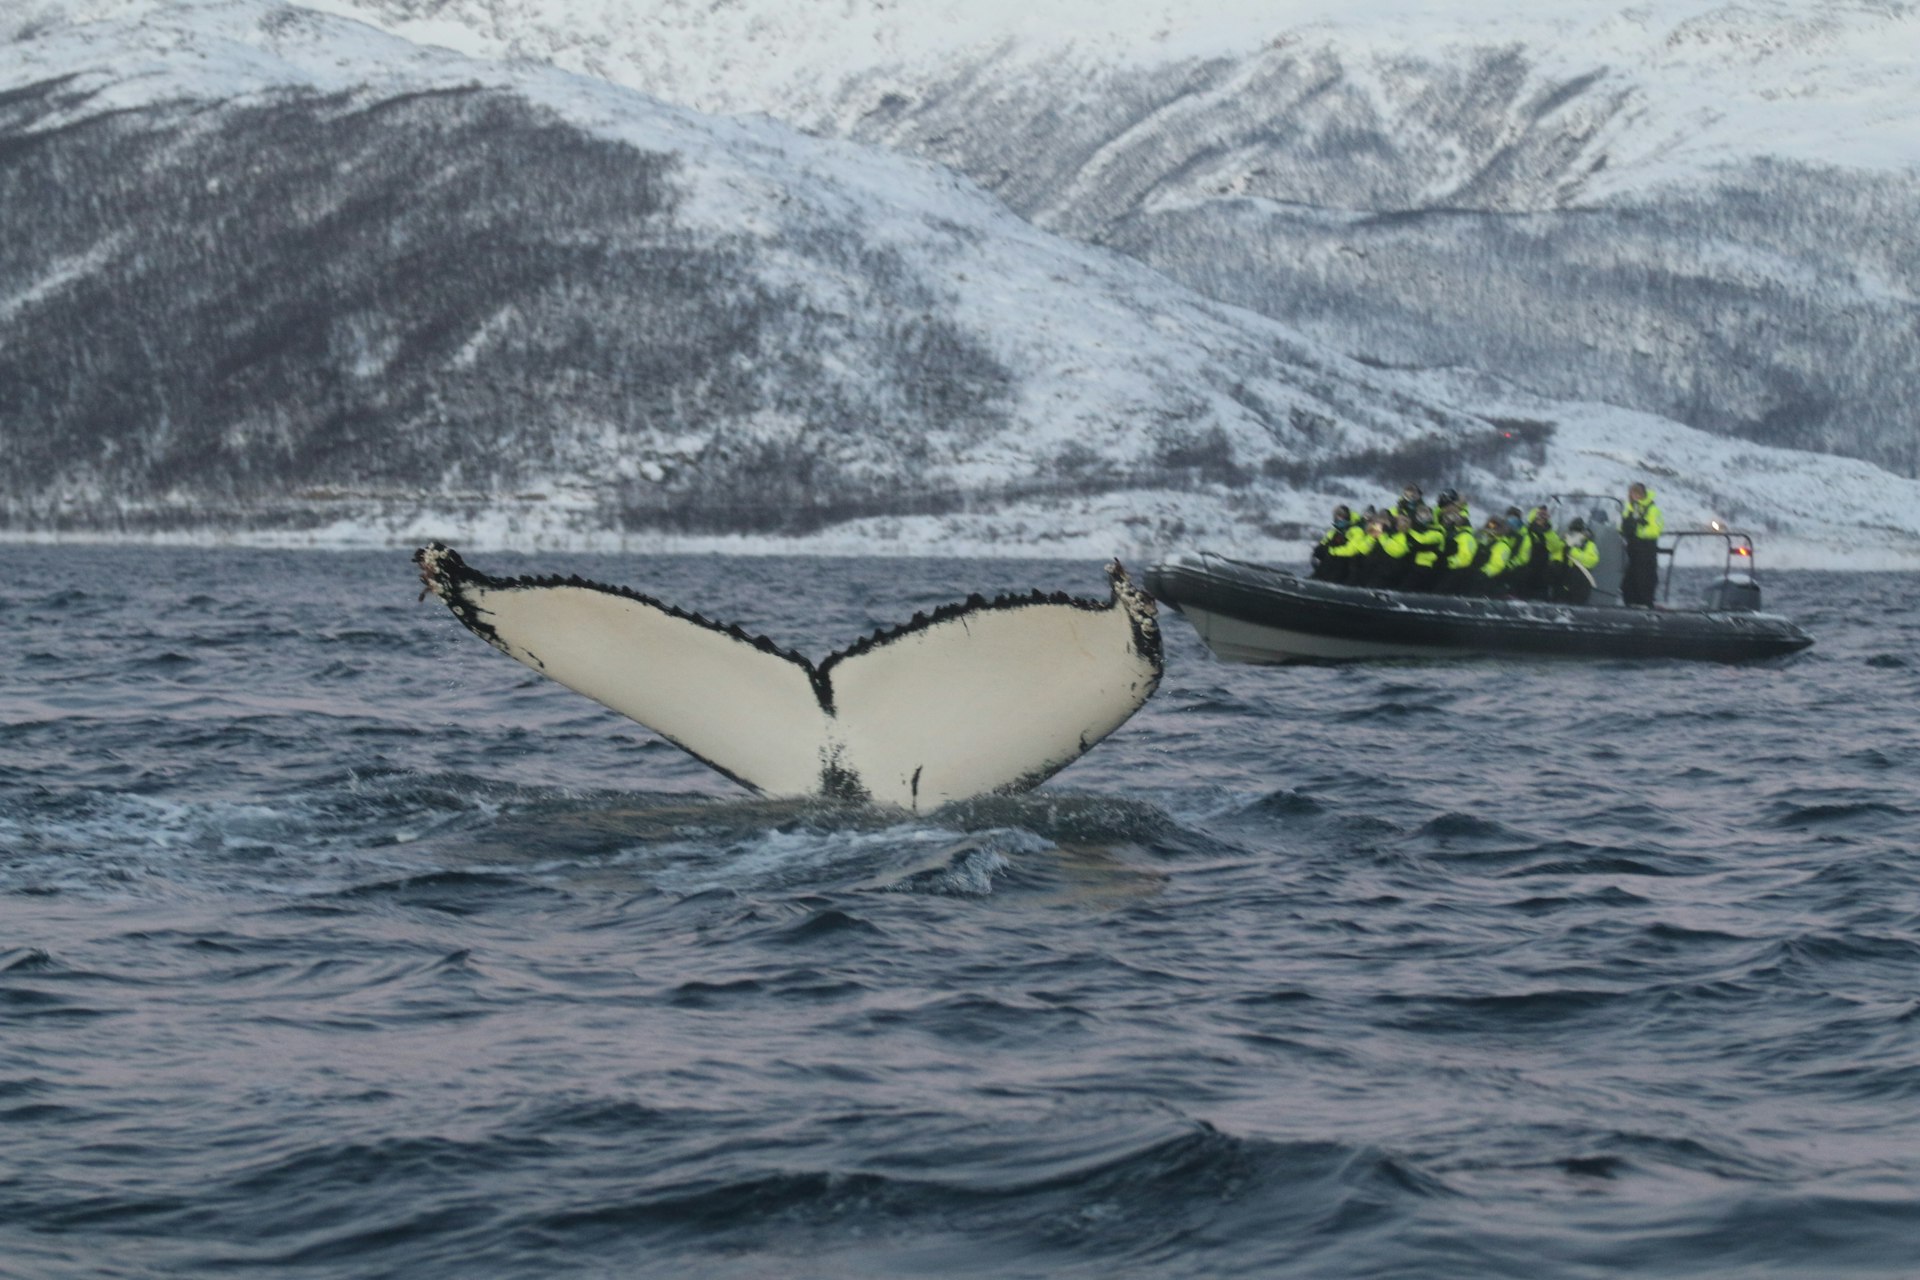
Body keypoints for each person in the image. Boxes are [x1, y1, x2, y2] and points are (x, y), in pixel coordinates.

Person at [1619, 482, 1664, 606]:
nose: (1635, 496)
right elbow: (1623, 526)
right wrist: (1625, 529)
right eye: (1633, 493)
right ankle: (1630, 604)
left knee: (1645, 581)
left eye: (1637, 493)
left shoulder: (1652, 509)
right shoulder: (1629, 508)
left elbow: (1656, 530)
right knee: (1628, 584)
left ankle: (1646, 605)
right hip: (1633, 552)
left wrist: (1638, 529)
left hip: (1646, 551)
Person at [1402, 504, 1447, 593]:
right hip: (1410, 562)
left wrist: (1408, 530)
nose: (1423, 517)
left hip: (1425, 565)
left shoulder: (1437, 531)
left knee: (1410, 587)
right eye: (1421, 514)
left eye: (1426, 514)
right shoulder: (1416, 528)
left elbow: (1422, 540)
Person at [1561, 517, 1600, 605]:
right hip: (1567, 581)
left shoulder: (1589, 545)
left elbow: (1592, 561)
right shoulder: (1567, 543)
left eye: (1577, 531)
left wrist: (1573, 552)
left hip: (1581, 582)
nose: (1574, 534)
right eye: (1572, 531)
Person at [1310, 505, 1354, 581]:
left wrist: (1333, 551)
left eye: (1341, 516)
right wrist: (1317, 551)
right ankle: (1317, 577)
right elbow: (1324, 543)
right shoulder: (1334, 532)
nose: (1338, 518)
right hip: (1328, 563)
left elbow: (1351, 549)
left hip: (1343, 564)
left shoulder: (1353, 531)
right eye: (1337, 516)